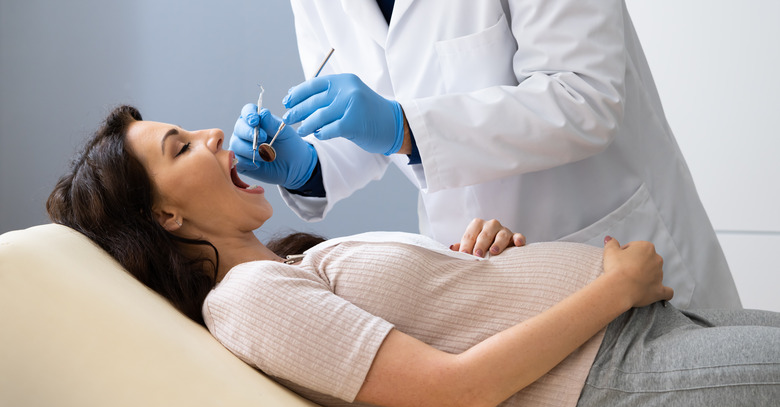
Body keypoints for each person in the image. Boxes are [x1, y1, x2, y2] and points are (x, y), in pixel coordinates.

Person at [47, 106, 779, 407]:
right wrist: (612, 289)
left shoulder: (285, 267)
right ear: (168, 219)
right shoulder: (247, 301)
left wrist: (481, 264)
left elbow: (443, 334)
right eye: (181, 148)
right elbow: (462, 392)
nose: (212, 133)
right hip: (612, 383)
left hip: (640, 343)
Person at [228, 0, 741, 311]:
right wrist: (308, 167)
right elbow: (366, 116)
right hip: (474, 265)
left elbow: (585, 98)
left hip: (606, 238)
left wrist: (404, 126)